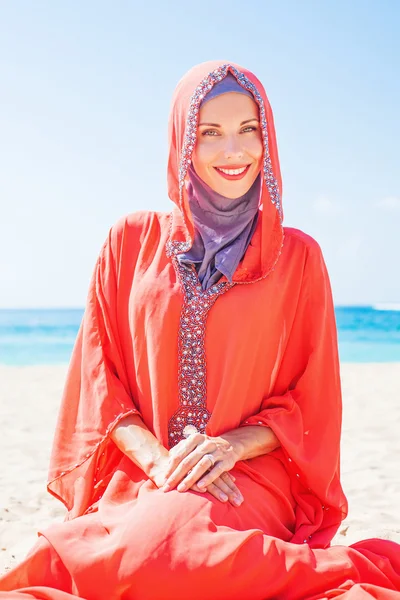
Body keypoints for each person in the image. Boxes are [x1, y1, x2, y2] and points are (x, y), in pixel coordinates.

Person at [0, 59, 399, 600]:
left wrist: (228, 448)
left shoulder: (299, 256)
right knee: (138, 547)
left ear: (268, 137)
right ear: (182, 141)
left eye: (248, 130)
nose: (233, 151)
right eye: (209, 132)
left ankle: (344, 572)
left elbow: (312, 400)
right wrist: (160, 461)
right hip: (147, 471)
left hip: (250, 474)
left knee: (170, 550)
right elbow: (100, 379)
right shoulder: (128, 241)